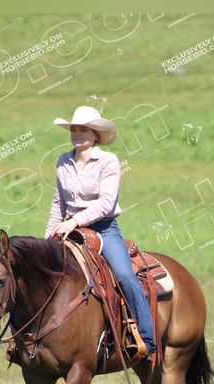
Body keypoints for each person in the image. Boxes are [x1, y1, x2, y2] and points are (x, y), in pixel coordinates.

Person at [44, 105, 157, 359]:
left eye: (83, 130)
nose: (77, 134)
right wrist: (47, 239)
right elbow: (57, 204)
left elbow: (106, 203)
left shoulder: (108, 161)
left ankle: (147, 341)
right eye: (74, 129)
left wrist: (74, 222)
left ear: (96, 135)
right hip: (68, 230)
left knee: (124, 275)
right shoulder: (63, 161)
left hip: (103, 229)